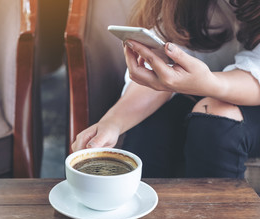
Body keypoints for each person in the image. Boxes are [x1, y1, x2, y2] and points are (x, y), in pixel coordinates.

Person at [71, 0, 260, 178]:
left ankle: (215, 212)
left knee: (215, 117)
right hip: (197, 92)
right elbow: (164, 70)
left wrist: (209, 83)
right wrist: (113, 122)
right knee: (150, 125)